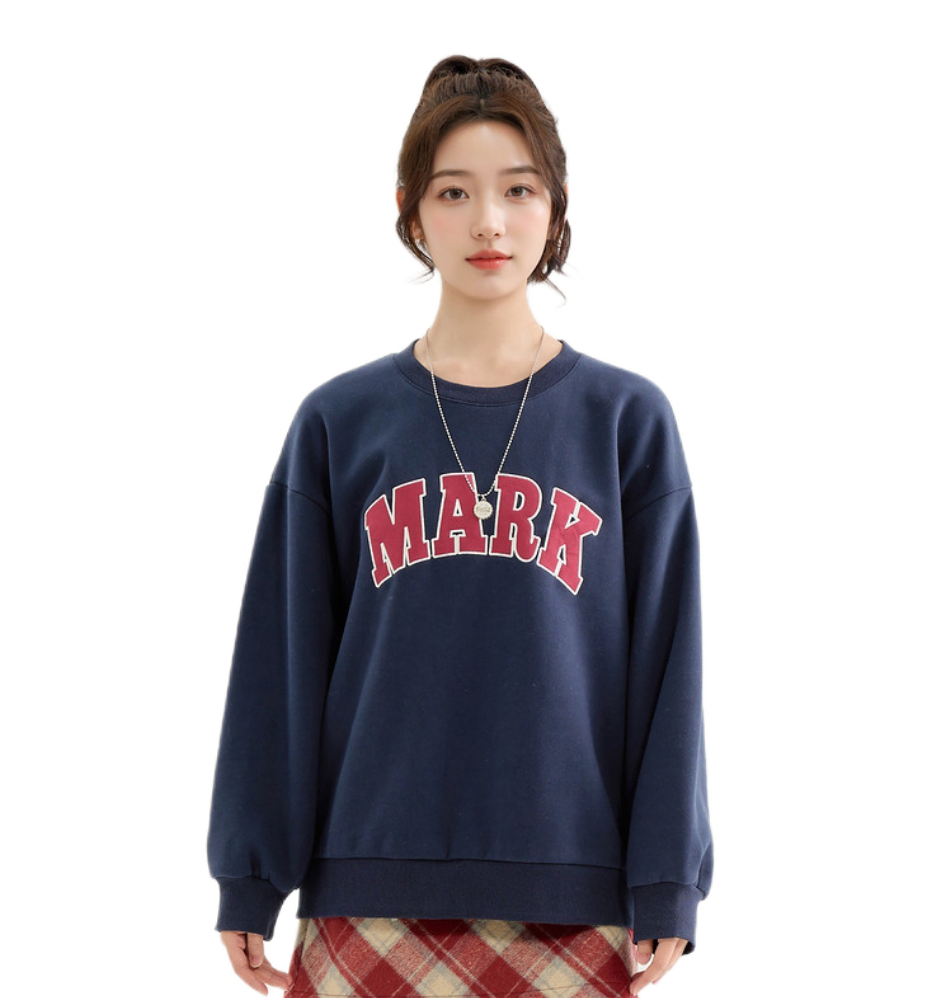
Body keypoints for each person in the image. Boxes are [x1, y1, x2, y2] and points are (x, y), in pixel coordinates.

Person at [207, 55, 713, 998]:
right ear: (410, 211)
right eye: (454, 192)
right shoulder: (339, 421)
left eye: (518, 189)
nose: (488, 221)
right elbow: (282, 662)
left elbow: (668, 672)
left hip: (575, 899)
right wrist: (250, 872)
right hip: (366, 888)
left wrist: (667, 880)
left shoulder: (626, 421)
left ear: (556, 208)